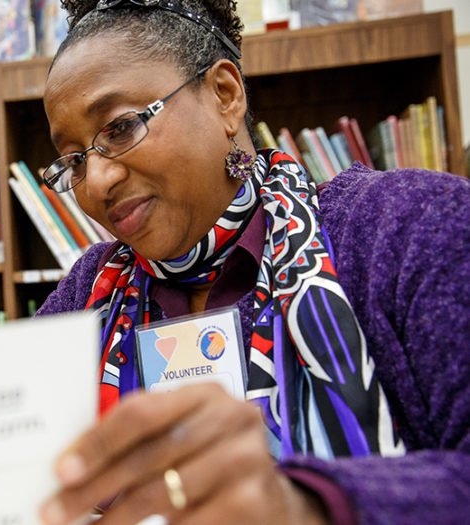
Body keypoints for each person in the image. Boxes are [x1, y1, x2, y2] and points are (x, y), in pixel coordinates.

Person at [32, 0, 470, 524]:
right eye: (75, 161)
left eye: (120, 128)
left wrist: (306, 506)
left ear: (225, 95)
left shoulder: (405, 226)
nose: (96, 182)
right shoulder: (87, 297)